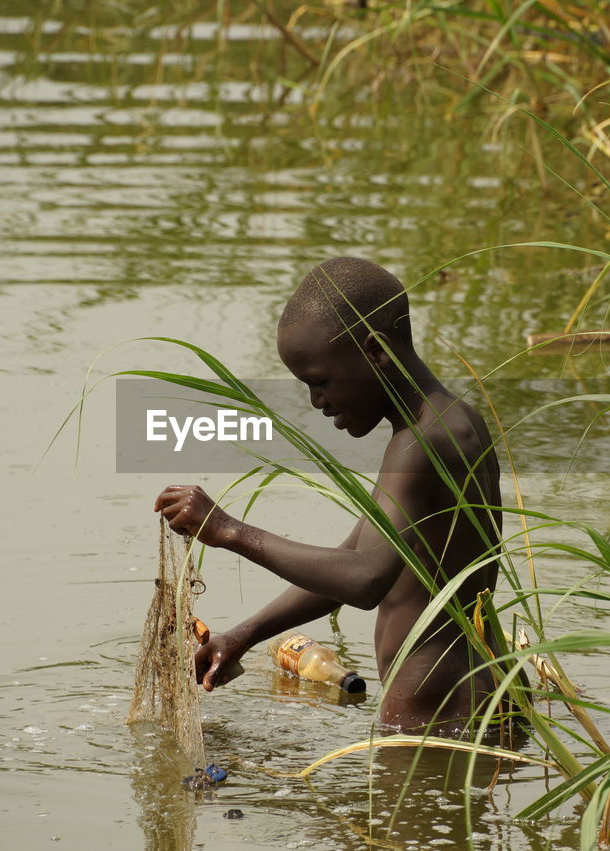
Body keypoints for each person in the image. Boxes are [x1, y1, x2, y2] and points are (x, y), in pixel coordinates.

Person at [153, 257, 505, 734]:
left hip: (435, 724)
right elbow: (350, 559)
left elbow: (364, 580)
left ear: (376, 351)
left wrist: (228, 530)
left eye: (321, 381)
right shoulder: (450, 423)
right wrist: (244, 635)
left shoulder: (421, 445)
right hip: (469, 705)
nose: (317, 402)